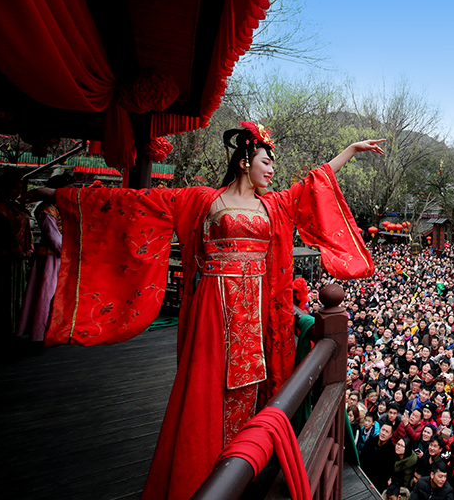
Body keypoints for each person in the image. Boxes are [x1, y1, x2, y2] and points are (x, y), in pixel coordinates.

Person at [37, 123, 384, 500]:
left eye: (273, 166)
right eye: (266, 163)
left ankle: (240, 466)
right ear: (244, 161)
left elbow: (314, 182)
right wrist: (61, 195)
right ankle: (200, 468)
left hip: (255, 311)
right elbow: (139, 203)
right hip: (214, 309)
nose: (271, 171)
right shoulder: (204, 200)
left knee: (251, 385)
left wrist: (349, 149)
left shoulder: (275, 205)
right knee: (208, 384)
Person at [15, 172, 73, 343]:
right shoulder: (47, 210)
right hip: (51, 257)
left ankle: (52, 330)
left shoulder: (58, 208)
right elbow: (53, 237)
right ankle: (40, 333)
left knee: (53, 294)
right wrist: (69, 253)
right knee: (46, 294)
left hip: (59, 255)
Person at [0, 167, 33, 340]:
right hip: (6, 257)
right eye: (15, 188)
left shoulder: (14, 207)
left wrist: (28, 248)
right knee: (4, 293)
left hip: (18, 256)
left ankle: (14, 326)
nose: (19, 191)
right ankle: (5, 328)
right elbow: (6, 233)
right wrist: (17, 250)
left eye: (20, 188)